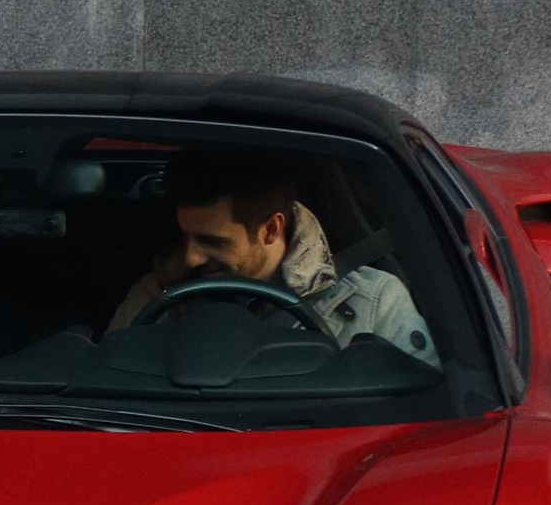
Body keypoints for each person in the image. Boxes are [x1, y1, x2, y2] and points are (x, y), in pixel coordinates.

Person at [109, 156, 440, 365]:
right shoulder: (156, 294)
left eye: (213, 242)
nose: (192, 256)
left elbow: (417, 418)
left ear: (271, 229)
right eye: (186, 237)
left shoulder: (375, 302)